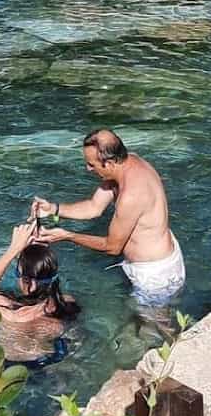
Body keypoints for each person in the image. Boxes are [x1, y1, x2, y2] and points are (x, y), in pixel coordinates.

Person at [31, 129, 184, 306]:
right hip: (147, 261)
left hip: (155, 274)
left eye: (91, 164)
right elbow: (94, 207)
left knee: (151, 323)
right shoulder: (127, 163)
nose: (88, 169)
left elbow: (112, 247)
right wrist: (53, 209)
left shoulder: (132, 195)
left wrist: (67, 236)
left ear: (109, 163)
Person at [0, 222, 80, 364]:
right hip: (42, 363)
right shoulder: (66, 305)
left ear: (28, 283)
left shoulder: (7, 311)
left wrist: (13, 249)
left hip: (3, 365)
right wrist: (41, 255)